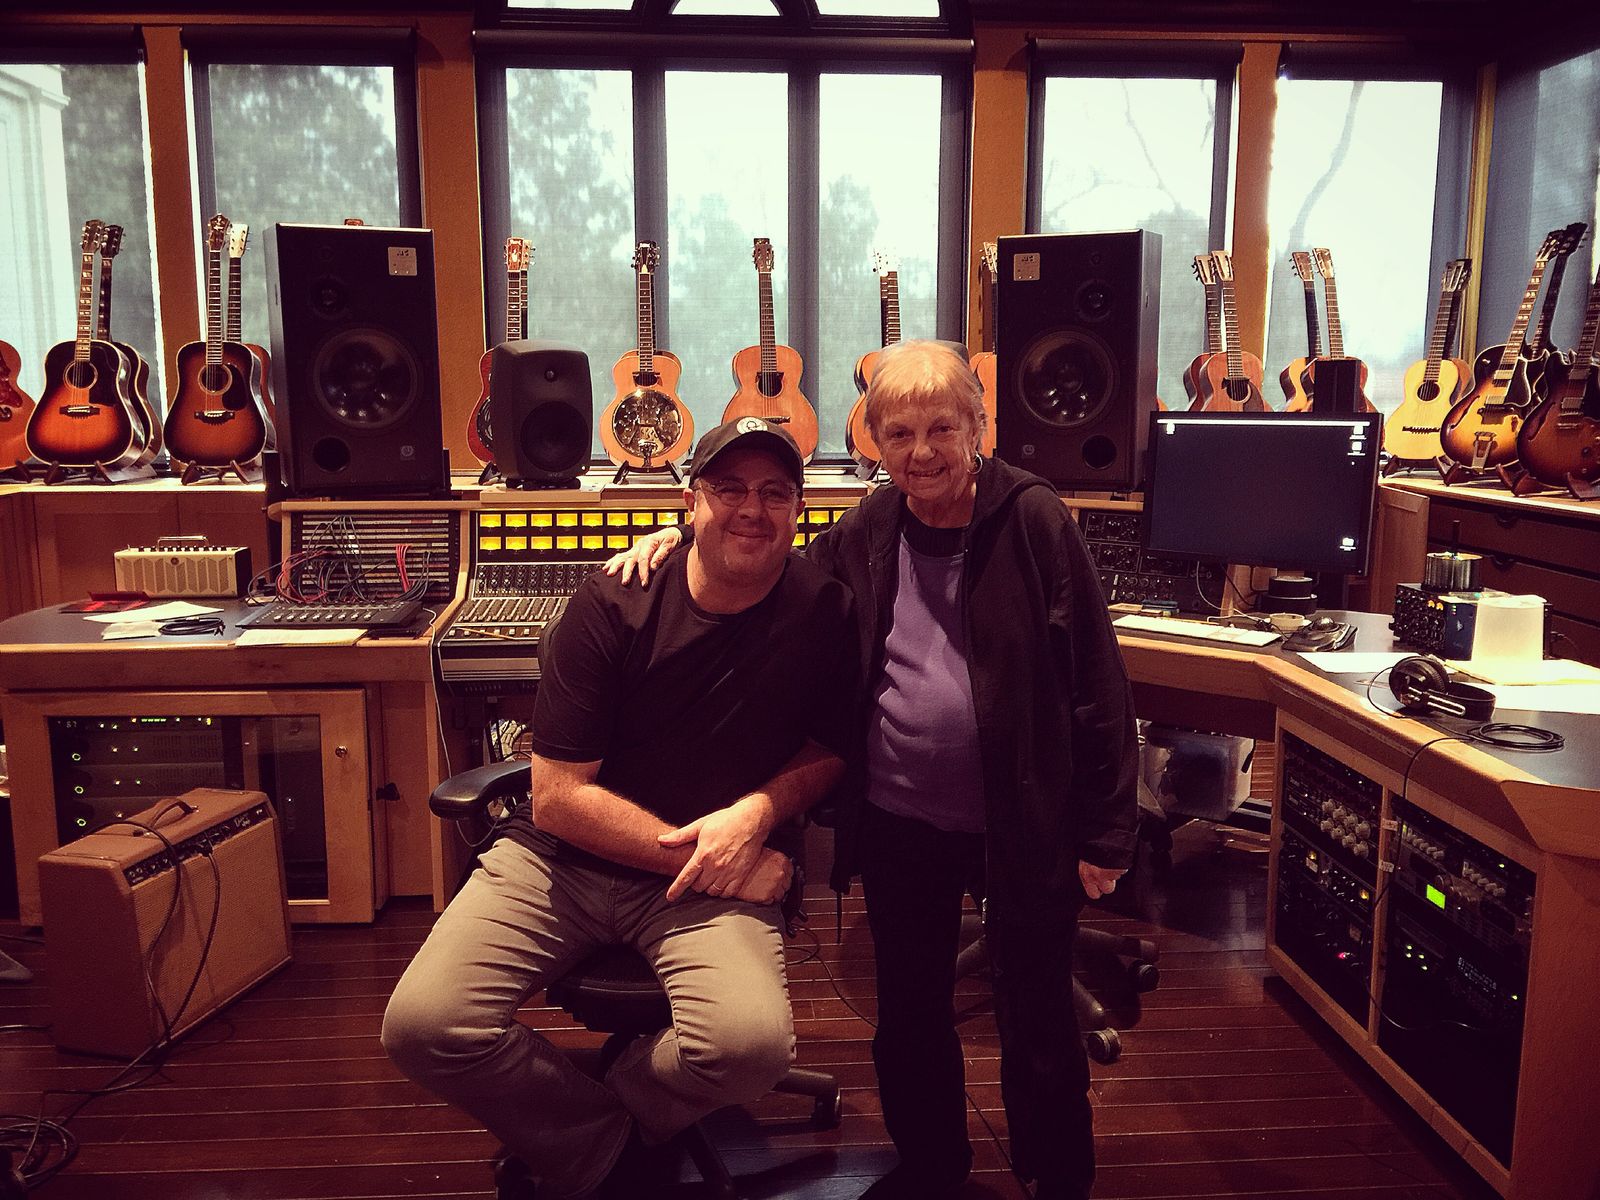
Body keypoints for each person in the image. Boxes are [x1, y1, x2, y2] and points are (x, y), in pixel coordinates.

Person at [609, 340, 1138, 1200]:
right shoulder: (873, 525)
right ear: (874, 443)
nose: (921, 452)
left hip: (1024, 820)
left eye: (941, 429)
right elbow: (776, 568)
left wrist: (1107, 833)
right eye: (899, 434)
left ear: (977, 429)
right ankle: (932, 1169)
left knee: (1037, 1013)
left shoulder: (1034, 519)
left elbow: (1098, 682)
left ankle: (1057, 1175)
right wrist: (678, 534)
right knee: (910, 1015)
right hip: (902, 821)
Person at [383, 416, 857, 1199]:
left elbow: (831, 747)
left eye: (775, 493)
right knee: (425, 1027)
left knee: (749, 1053)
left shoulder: (824, 609)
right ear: (689, 502)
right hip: (566, 862)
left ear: (799, 511)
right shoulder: (611, 602)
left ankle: (610, 1117)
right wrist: (718, 860)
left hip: (706, 884)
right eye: (729, 489)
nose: (752, 509)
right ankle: (612, 1145)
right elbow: (559, 800)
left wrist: (759, 811)